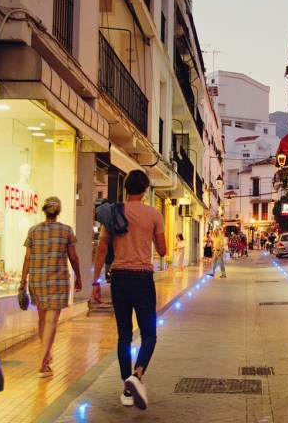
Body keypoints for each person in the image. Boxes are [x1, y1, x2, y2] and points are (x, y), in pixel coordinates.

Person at [92, 170, 167, 410]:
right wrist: (149, 235)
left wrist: (95, 281)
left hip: (120, 279)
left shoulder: (114, 212)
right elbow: (163, 250)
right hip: (143, 279)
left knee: (124, 335)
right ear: (145, 190)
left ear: (126, 188)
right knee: (149, 334)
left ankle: (126, 388)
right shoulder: (154, 214)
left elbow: (102, 248)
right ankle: (138, 374)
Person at [18, 196, 82, 377]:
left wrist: (23, 280)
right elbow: (73, 257)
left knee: (42, 318)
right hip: (57, 281)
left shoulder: (33, 230)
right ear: (58, 211)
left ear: (44, 210)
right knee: (51, 320)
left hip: (37, 279)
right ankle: (42, 362)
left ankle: (45, 357)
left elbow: (27, 258)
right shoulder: (67, 230)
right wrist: (78, 276)